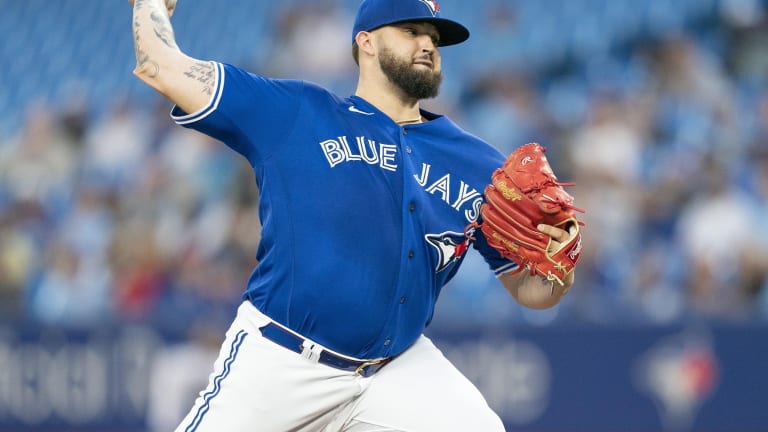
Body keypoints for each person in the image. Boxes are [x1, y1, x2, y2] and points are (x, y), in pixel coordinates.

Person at [129, 0, 576, 430]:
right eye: (410, 31)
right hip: (284, 360)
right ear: (366, 41)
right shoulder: (297, 113)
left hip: (396, 368)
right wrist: (148, 5)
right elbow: (161, 67)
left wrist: (559, 269)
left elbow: (529, 290)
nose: (427, 44)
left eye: (434, 38)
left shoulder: (479, 164)